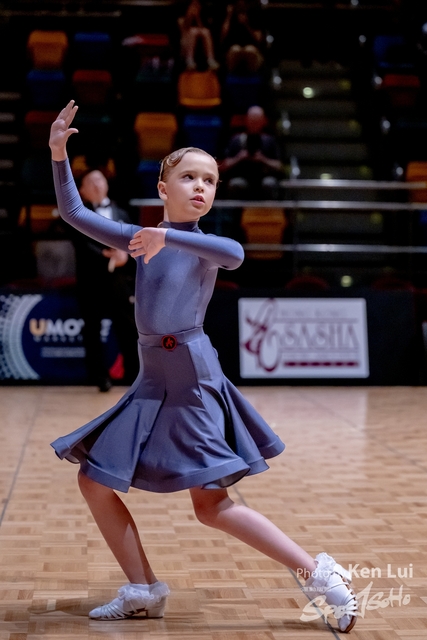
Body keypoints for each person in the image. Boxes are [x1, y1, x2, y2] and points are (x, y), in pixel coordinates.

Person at [48, 101, 358, 632]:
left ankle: (319, 572)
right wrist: (59, 155)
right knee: (94, 478)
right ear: (162, 188)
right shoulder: (141, 238)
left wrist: (167, 236)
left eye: (210, 180)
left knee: (211, 505)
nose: (200, 187)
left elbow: (235, 254)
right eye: (189, 177)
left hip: (192, 380)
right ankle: (143, 588)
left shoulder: (203, 244)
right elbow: (75, 214)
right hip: (152, 381)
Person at [70, 168, 139, 392]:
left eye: (100, 179)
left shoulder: (122, 212)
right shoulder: (78, 214)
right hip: (91, 282)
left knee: (128, 329)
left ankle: (134, 376)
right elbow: (81, 244)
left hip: (119, 282)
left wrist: (125, 256)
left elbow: (134, 242)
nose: (97, 184)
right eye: (91, 182)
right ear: (82, 191)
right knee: (93, 329)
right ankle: (99, 377)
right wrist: (105, 256)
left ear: (107, 184)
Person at [220, 105, 285, 199]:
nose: (254, 124)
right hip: (242, 177)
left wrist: (263, 159)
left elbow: (279, 166)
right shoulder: (236, 140)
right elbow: (224, 165)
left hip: (264, 177)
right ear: (246, 120)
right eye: (252, 120)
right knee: (235, 184)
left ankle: (269, 208)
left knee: (269, 183)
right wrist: (239, 157)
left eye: (257, 121)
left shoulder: (270, 141)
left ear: (263, 121)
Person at [220, 0, 265, 75]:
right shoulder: (230, 14)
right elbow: (222, 36)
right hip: (233, 48)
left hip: (252, 48)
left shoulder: (254, 13)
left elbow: (258, 38)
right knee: (235, 49)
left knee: (249, 49)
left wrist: (246, 24)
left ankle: (252, 76)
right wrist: (229, 16)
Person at [178, 0, 220, 70]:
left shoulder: (203, 16)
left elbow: (201, 28)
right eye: (193, 5)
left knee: (206, 32)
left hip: (198, 38)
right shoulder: (181, 17)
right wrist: (190, 16)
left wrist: (197, 17)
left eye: (197, 5)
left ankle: (210, 59)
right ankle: (189, 60)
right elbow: (184, 30)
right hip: (185, 40)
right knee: (193, 31)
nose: (195, 8)